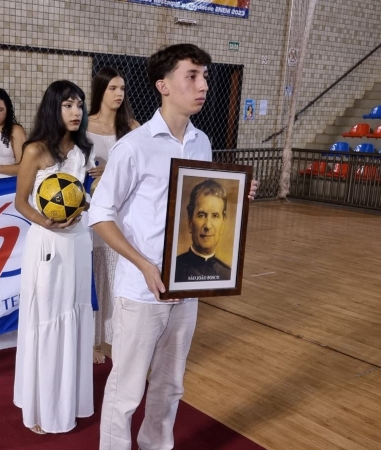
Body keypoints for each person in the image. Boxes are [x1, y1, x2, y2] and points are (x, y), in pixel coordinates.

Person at [89, 44, 258, 450]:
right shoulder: (134, 146)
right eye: (192, 76)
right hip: (141, 289)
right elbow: (100, 215)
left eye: (205, 77)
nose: (203, 86)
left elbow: (200, 204)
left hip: (187, 285)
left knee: (170, 385)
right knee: (127, 390)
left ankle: (156, 445)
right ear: (163, 85)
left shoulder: (201, 142)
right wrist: (144, 265)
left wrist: (236, 195)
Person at [13, 80, 95, 435]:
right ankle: (42, 406)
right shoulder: (34, 150)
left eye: (79, 105)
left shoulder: (83, 150)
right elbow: (20, 202)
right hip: (47, 242)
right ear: (53, 108)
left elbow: (81, 195)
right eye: (68, 105)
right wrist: (44, 220)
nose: (76, 112)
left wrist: (83, 205)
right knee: (47, 317)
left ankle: (68, 401)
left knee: (74, 314)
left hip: (77, 241)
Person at [86, 67, 140, 365]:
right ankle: (94, 341)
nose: (119, 94)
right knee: (97, 278)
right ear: (100, 90)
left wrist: (112, 169)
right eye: (113, 88)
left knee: (120, 278)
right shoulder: (84, 125)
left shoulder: (131, 127)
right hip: (93, 208)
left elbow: (142, 165)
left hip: (123, 210)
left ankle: (121, 340)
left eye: (122, 88)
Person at [174, 179, 231, 282]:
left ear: (222, 225)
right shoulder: (173, 270)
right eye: (201, 215)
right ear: (190, 222)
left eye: (215, 216)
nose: (208, 225)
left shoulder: (228, 275)